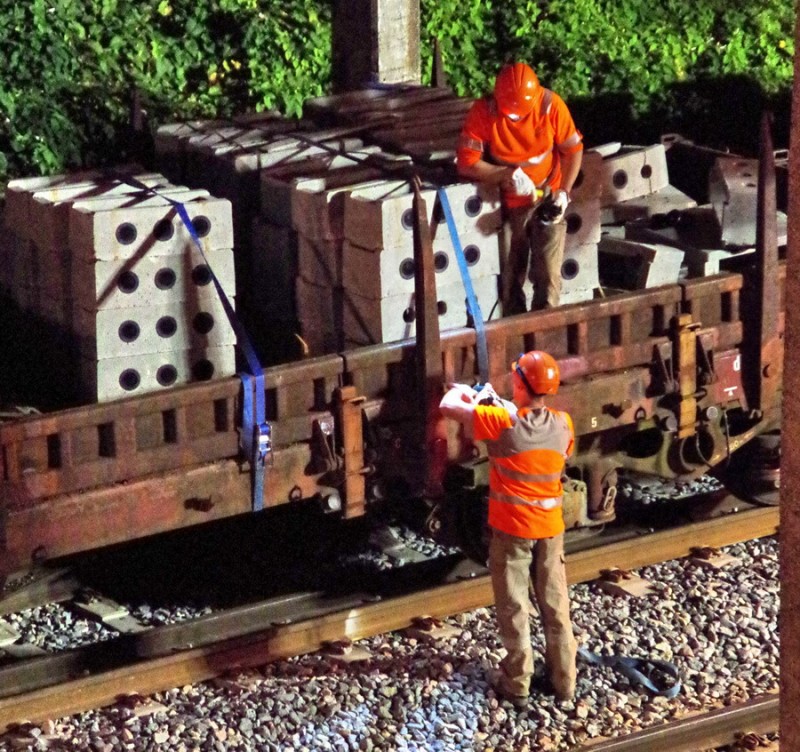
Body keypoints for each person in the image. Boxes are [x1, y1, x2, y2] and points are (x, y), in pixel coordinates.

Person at [439, 350, 578, 707]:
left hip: (513, 531)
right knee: (555, 606)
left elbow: (448, 403)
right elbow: (534, 429)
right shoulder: (563, 424)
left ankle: (517, 683)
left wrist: (471, 397)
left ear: (518, 382)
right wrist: (495, 403)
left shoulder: (501, 424)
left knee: (515, 606)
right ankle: (565, 682)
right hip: (550, 529)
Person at [456, 62, 584, 314]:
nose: (516, 119)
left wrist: (563, 194)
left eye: (521, 115)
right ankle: (514, 329)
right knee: (511, 275)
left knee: (548, 274)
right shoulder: (485, 112)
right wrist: (504, 173)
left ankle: (543, 332)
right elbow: (466, 162)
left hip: (548, 196)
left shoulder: (550, 106)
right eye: (511, 115)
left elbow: (573, 150)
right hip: (508, 202)